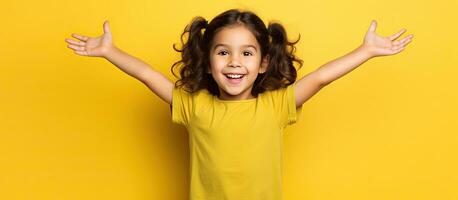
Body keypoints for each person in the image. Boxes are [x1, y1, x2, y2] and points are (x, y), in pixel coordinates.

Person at [65, 8, 413, 200]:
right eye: (223, 52)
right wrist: (109, 51)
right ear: (208, 59)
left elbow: (320, 77)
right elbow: (145, 74)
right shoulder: (194, 106)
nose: (234, 62)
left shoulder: (276, 106)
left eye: (246, 53)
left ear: (262, 63)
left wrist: (365, 51)